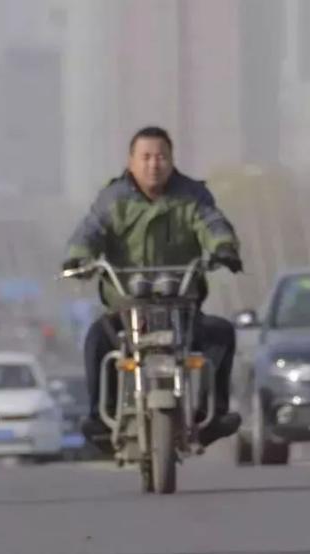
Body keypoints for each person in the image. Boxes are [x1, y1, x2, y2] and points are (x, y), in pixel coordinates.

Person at [63, 126, 243, 447]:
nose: (153, 164)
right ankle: (99, 418)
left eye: (161, 156)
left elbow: (212, 223)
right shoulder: (113, 199)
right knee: (97, 340)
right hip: (127, 307)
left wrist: (224, 247)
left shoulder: (192, 196)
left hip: (182, 306)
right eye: (145, 157)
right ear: (131, 161)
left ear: (172, 160)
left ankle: (212, 416)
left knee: (220, 334)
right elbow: (89, 232)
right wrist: (78, 258)